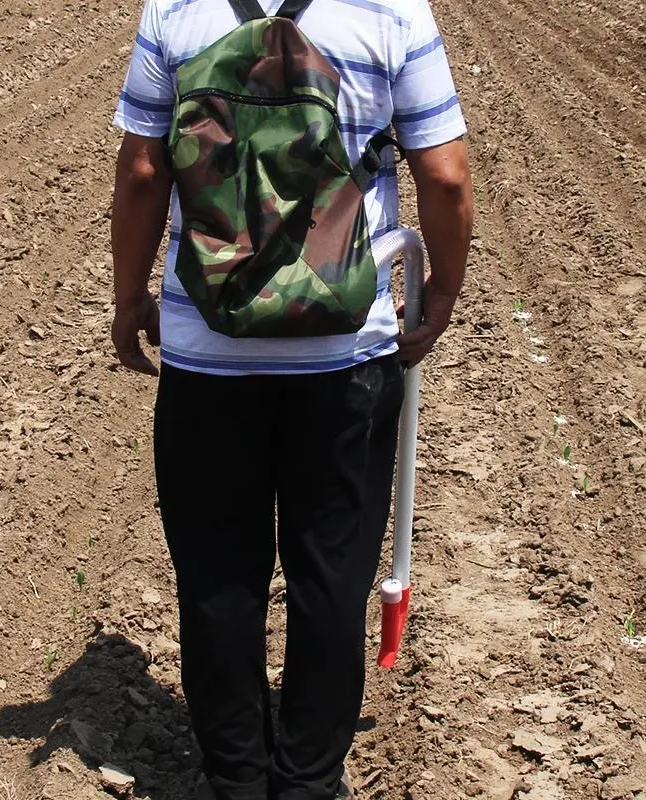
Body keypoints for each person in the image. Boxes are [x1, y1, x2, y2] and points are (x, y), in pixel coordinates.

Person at [110, 0, 473, 798]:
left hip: (207, 352)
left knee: (217, 577)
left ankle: (236, 781)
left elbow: (143, 171)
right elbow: (443, 177)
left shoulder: (174, 9)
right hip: (345, 356)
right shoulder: (392, 10)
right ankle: (309, 783)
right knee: (332, 580)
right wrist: (442, 289)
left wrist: (130, 295)